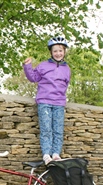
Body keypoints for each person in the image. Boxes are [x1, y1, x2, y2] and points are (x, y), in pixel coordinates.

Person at [23, 36, 71, 165]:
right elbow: (33, 77)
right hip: (44, 101)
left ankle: (56, 153)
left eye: (60, 51)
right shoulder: (44, 65)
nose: (58, 53)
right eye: (55, 51)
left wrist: (61, 96)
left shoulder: (66, 69)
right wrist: (27, 66)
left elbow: (65, 84)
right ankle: (46, 154)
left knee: (58, 129)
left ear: (64, 51)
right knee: (46, 129)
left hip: (59, 102)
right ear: (51, 52)